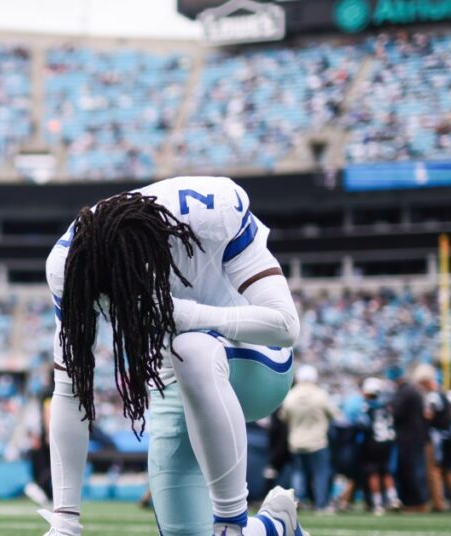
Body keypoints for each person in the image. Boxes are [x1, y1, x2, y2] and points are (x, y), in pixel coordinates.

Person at [43, 177, 306, 536]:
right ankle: (276, 526)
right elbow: (71, 389)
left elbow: (285, 325)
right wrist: (64, 523)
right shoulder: (69, 264)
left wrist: (190, 315)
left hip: (255, 364)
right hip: (174, 382)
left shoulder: (210, 213)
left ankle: (231, 524)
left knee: (191, 348)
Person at [279, 364, 339, 514]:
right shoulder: (320, 395)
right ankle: (320, 504)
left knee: (298, 472)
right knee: (320, 473)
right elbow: (335, 414)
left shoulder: (290, 395)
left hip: (296, 441)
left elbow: (283, 417)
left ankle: (297, 501)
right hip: (318, 441)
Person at [415, 365, 451, 513]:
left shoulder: (432, 397)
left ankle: (438, 502)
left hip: (435, 437)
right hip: (446, 435)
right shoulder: (442, 394)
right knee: (445, 468)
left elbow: (429, 415)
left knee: (434, 470)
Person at [359, 377, 401, 516]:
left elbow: (363, 424)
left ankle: (377, 504)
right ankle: (393, 498)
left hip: (373, 442)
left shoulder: (367, 407)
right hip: (387, 441)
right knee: (386, 472)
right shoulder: (386, 406)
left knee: (373, 473)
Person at [390, 365, 429, 512]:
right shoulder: (413, 391)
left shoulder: (405, 392)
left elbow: (397, 414)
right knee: (413, 470)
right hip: (415, 436)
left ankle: (415, 503)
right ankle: (417, 502)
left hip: (408, 437)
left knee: (409, 470)